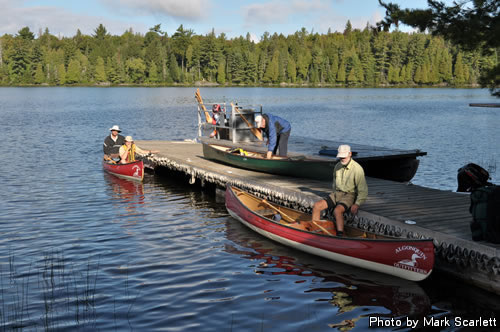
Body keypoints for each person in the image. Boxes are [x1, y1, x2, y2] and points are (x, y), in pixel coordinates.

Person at [312, 144, 368, 237]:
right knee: (317, 206)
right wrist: (332, 197)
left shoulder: (357, 169)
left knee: (337, 211)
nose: (342, 158)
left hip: (350, 194)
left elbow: (363, 190)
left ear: (350, 154)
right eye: (340, 156)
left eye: (344, 156)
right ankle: (315, 231)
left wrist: (357, 204)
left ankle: (340, 235)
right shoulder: (337, 166)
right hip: (337, 193)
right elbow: (334, 184)